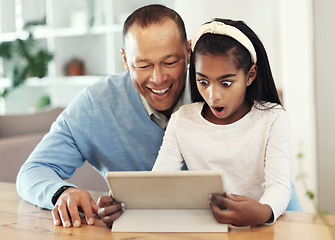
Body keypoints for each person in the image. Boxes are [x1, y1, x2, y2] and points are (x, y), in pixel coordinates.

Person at [16, 4, 191, 228]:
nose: (158, 78)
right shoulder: (96, 103)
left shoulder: (217, 94)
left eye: (170, 62)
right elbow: (33, 171)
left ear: (188, 52)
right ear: (126, 61)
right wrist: (62, 192)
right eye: (143, 65)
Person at [152, 18, 292, 227]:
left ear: (250, 75)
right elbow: (158, 183)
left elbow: (279, 186)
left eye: (226, 83)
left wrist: (264, 211)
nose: (213, 95)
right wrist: (124, 205)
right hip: (206, 229)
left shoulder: (272, 117)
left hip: (259, 230)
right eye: (203, 81)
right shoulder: (182, 120)